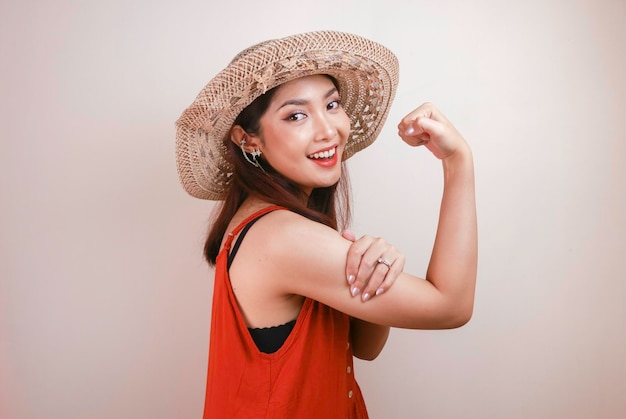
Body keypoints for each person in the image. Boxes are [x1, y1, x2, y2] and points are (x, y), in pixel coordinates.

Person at [175, 30, 477, 419]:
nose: (327, 130)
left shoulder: (270, 222)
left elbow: (364, 346)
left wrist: (375, 270)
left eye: (332, 104)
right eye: (296, 115)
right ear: (249, 140)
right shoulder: (281, 236)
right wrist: (458, 163)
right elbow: (450, 307)